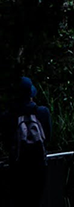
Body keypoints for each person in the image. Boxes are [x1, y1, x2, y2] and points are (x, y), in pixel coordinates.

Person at [1, 77, 53, 207]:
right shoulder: (42, 112)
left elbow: (6, 142)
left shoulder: (7, 116)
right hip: (39, 167)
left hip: (17, 168)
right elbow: (48, 136)